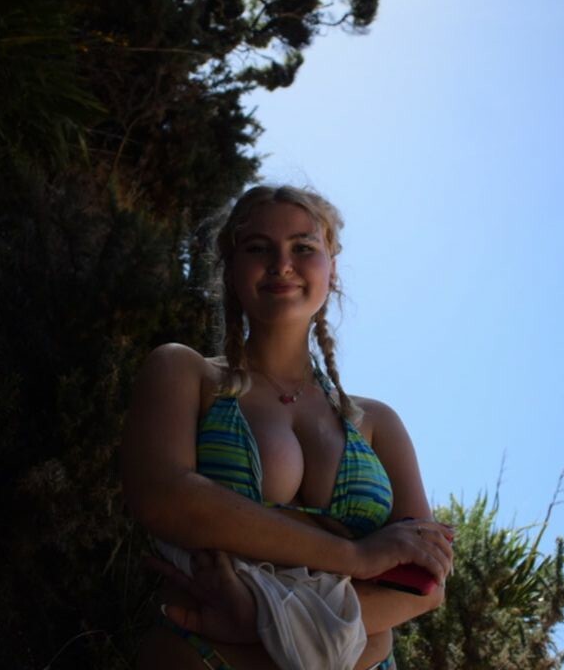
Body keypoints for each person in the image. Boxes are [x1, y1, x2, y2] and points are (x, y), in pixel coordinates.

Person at [121, 185, 454, 669]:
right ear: (231, 270)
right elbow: (166, 499)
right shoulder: (185, 373)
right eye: (258, 248)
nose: (282, 264)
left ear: (331, 269)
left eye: (303, 247)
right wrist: (356, 558)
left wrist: (259, 618)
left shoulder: (378, 424)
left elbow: (426, 583)